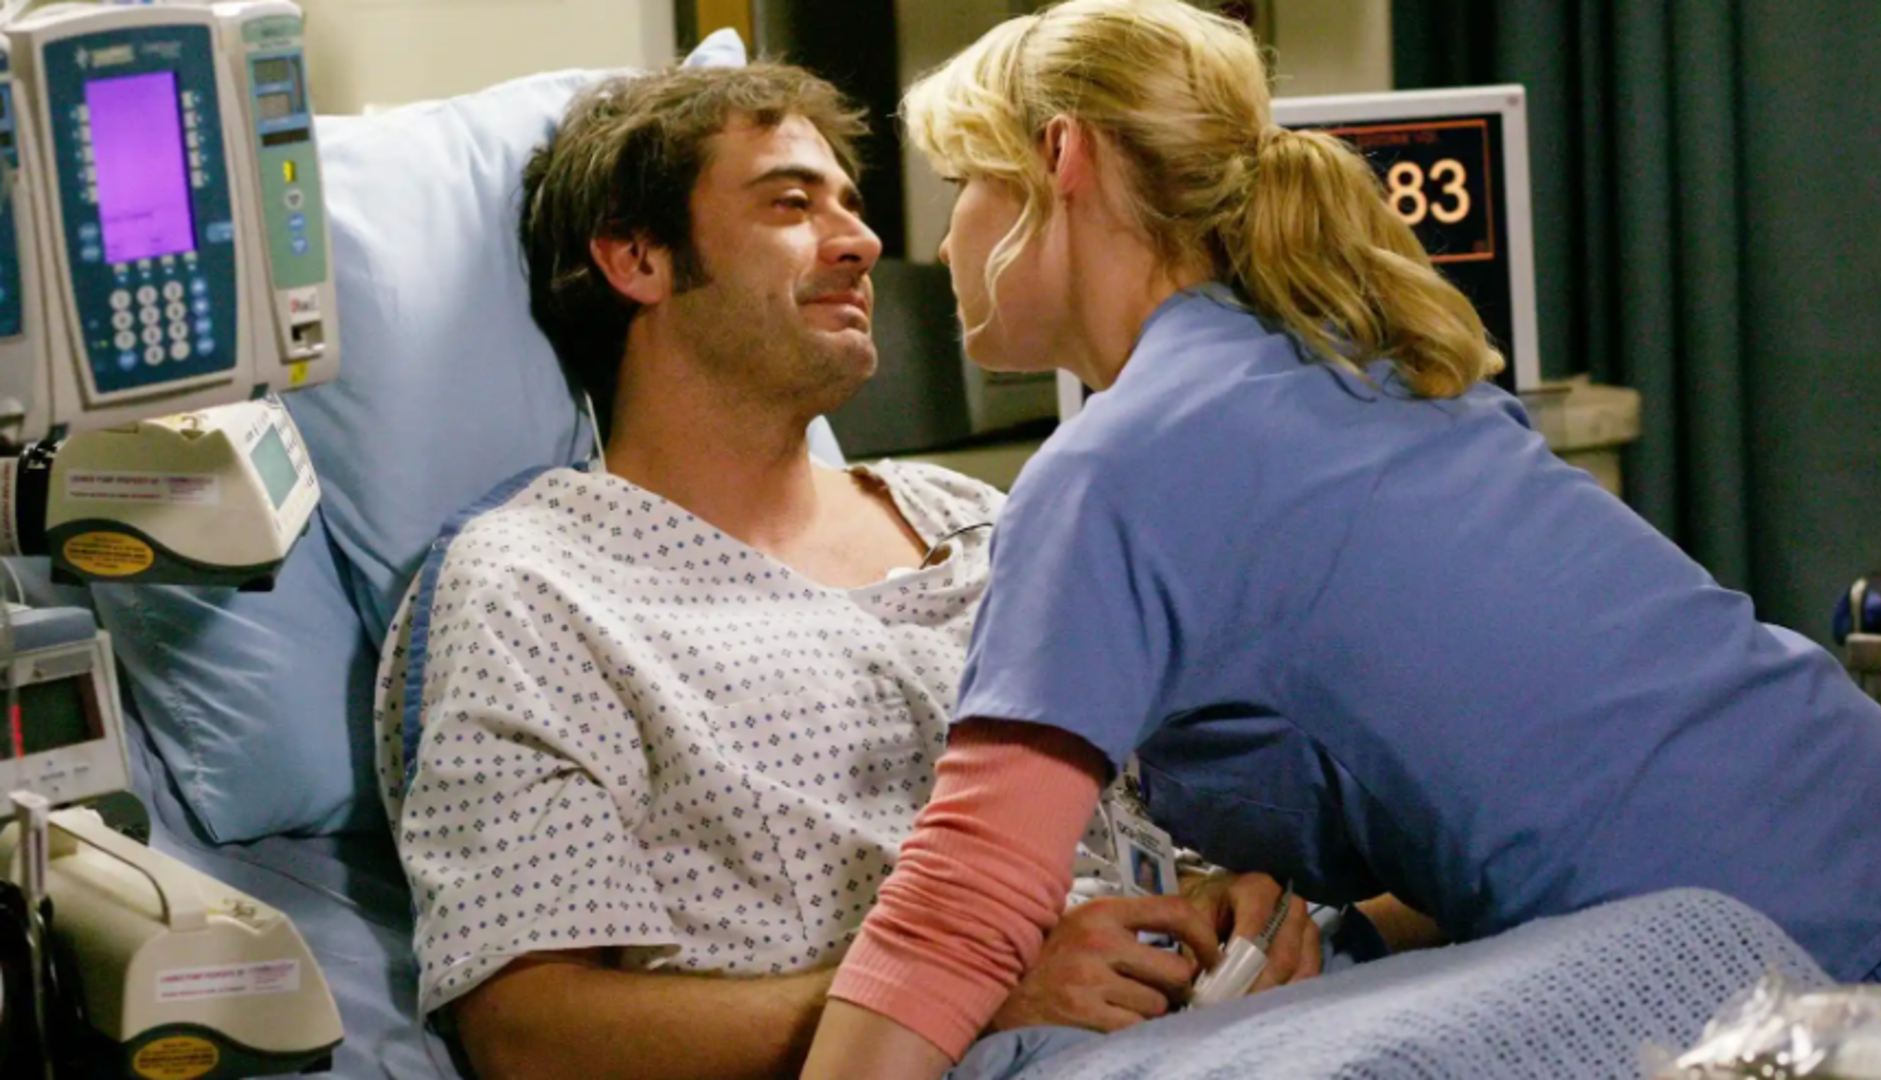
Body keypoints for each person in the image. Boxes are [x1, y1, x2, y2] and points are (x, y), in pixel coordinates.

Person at [801, 1, 1881, 1075]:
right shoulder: (1366, 364)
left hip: (1799, 968)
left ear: (1063, 156)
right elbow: (1517, 770)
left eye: (963, 185)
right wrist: (1334, 923)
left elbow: (965, 904)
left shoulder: (1116, 465)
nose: (942, 240)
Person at [372, 60, 1321, 1080]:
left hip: (1220, 1023)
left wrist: (1224, 901)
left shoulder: (976, 516)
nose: (863, 242)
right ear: (636, 257)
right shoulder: (537, 589)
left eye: (851, 205)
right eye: (791, 204)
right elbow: (530, 1034)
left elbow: (1159, 797)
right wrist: (965, 991)